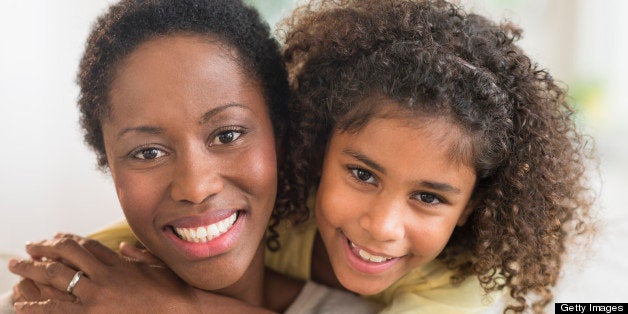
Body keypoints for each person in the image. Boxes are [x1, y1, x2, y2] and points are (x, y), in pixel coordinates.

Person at [9, 0, 596, 313]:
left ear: (472, 207)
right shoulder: (283, 213)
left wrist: (171, 306)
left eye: (428, 196)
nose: (380, 223)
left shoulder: (466, 285)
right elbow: (107, 255)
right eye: (362, 173)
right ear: (313, 149)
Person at [3, 0, 379, 313]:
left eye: (227, 134)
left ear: (280, 136)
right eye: (147, 152)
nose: (196, 187)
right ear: (109, 164)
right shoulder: (49, 301)